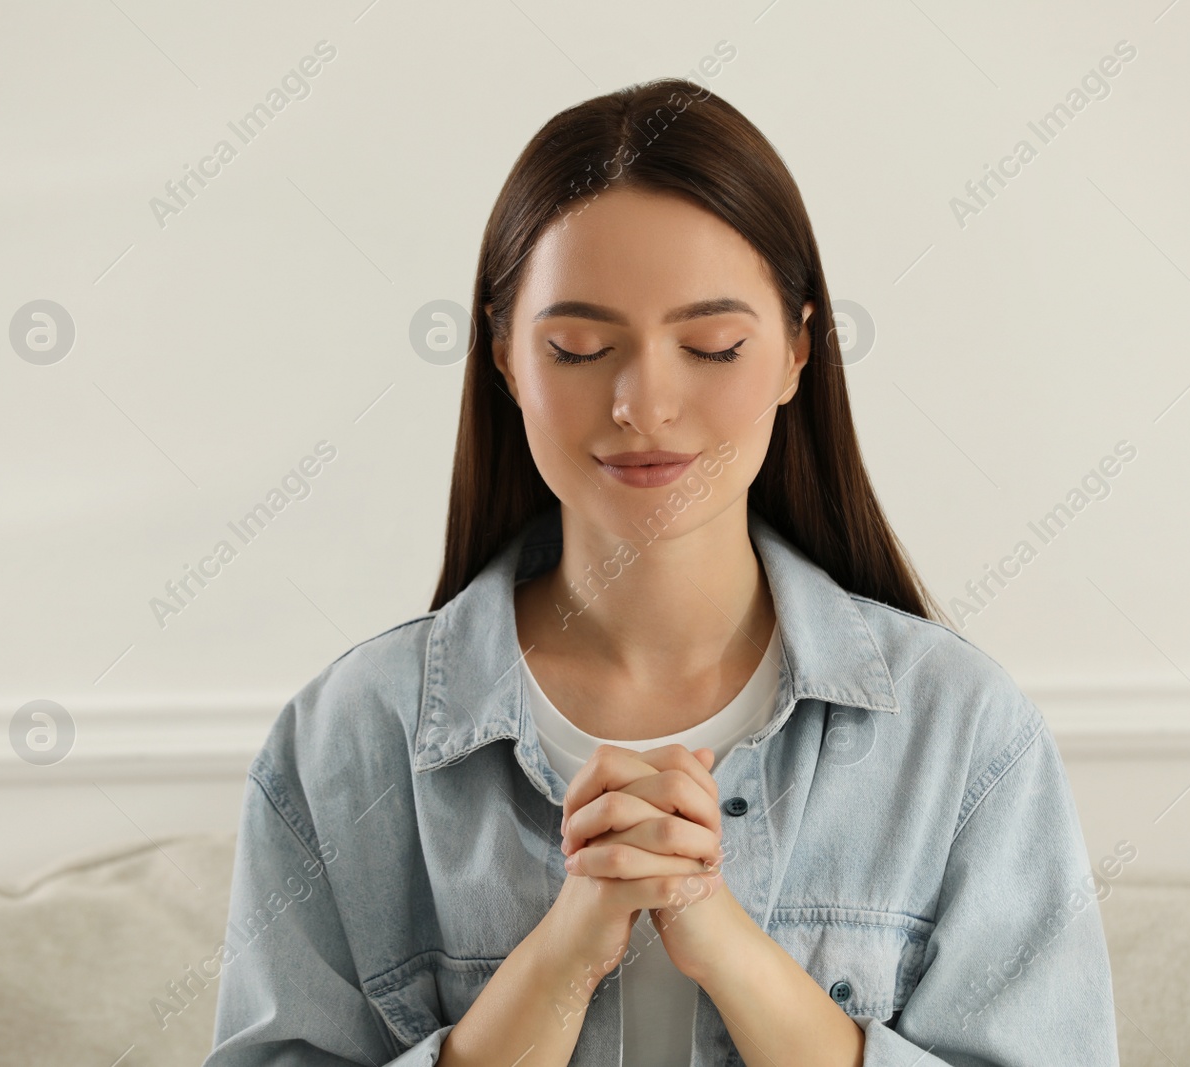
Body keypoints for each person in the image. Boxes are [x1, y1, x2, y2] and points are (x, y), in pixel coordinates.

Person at [204, 76, 1119, 1067]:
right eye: (579, 347)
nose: (645, 401)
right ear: (506, 354)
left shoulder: (964, 734)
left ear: (796, 351)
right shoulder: (347, 741)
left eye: (712, 345)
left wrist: (721, 938)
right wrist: (560, 954)